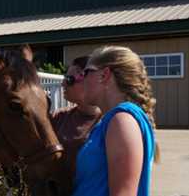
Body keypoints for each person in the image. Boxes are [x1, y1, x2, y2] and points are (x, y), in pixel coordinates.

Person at [73, 46, 159, 196]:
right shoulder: (110, 120)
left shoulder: (122, 120)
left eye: (85, 73)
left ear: (104, 75)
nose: (81, 79)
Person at [50, 56, 101, 178]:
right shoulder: (59, 117)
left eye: (69, 80)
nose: (63, 84)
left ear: (88, 81)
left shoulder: (109, 123)